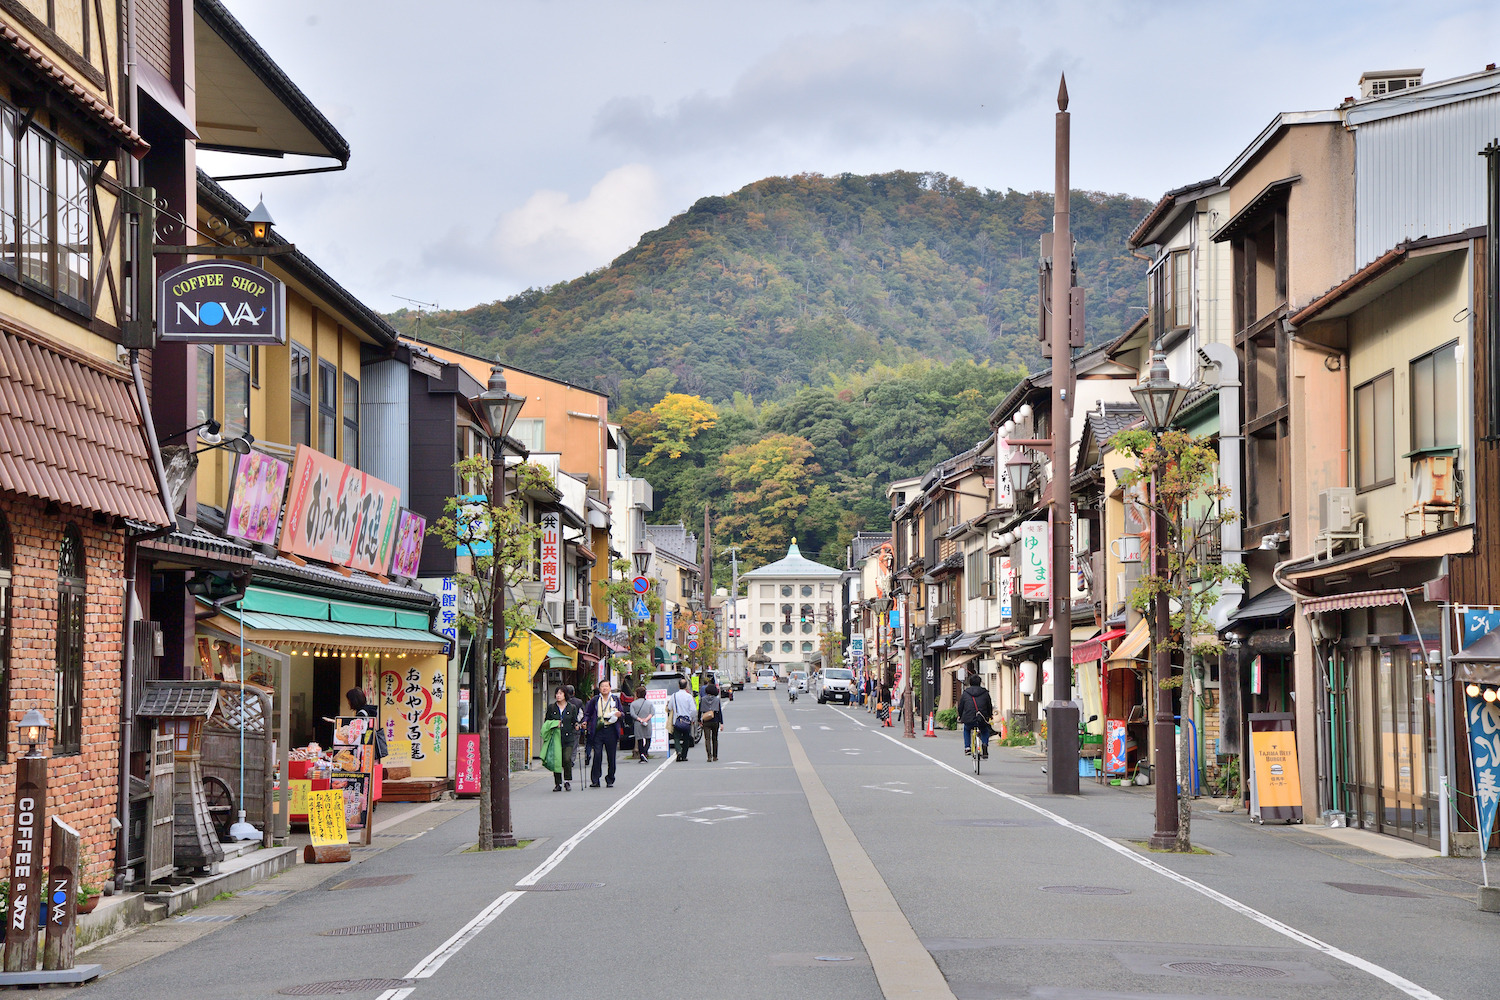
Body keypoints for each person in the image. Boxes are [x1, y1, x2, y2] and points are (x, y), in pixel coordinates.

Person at [582, 679, 623, 788]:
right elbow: (588, 713)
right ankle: (595, 780)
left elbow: (622, 712)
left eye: (606, 686)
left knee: (611, 756)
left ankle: (610, 779)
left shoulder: (615, 699)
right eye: (602, 686)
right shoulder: (595, 700)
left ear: (610, 688)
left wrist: (619, 714)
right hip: (598, 730)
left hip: (611, 730)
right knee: (597, 755)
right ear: (599, 688)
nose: (604, 688)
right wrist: (585, 721)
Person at [543, 686, 580, 791]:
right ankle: (558, 783)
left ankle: (567, 781)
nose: (558, 695)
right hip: (556, 737)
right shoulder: (551, 708)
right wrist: (554, 724)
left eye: (560, 693)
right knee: (557, 760)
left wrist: (577, 725)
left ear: (565, 695)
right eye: (557, 693)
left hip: (568, 738)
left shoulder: (571, 707)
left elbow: (574, 720)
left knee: (567, 758)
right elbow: (547, 722)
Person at [957, 673, 994, 759]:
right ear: (980, 682)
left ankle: (967, 747)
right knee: (984, 730)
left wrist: (960, 715)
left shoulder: (965, 693)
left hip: (969, 718)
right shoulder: (985, 693)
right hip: (982, 717)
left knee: (966, 729)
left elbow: (961, 706)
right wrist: (990, 715)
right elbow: (989, 705)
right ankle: (984, 744)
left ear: (970, 683)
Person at [668, 679, 697, 762]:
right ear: (686, 686)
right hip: (687, 721)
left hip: (677, 720)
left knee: (676, 738)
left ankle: (679, 751)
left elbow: (669, 707)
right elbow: (693, 710)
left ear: (678, 686)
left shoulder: (674, 696)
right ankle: (684, 755)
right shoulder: (689, 696)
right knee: (686, 739)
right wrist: (692, 718)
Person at [699, 680, 724, 763]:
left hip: (706, 720)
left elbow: (700, 710)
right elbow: (719, 711)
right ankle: (715, 756)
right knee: (715, 739)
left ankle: (709, 756)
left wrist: (700, 720)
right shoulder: (717, 700)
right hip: (715, 720)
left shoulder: (703, 699)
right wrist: (722, 723)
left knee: (707, 739)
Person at [630, 686, 654, 761]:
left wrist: (640, 719)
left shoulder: (633, 704)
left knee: (639, 739)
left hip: (638, 723)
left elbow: (632, 714)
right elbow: (652, 713)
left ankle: (642, 755)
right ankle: (645, 752)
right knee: (648, 739)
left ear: (637, 694)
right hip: (647, 723)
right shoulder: (649, 703)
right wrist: (646, 719)